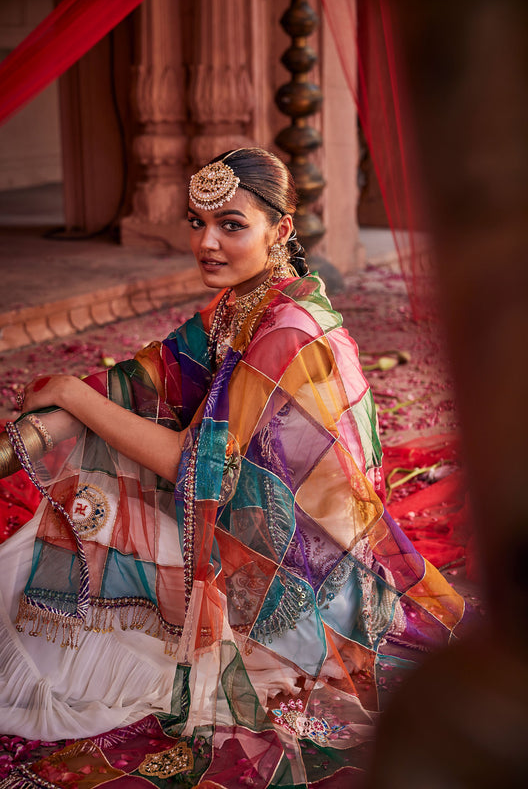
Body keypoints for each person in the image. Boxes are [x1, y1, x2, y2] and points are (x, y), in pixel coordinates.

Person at [0, 148, 465, 788]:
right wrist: (68, 399)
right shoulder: (243, 303)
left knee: (86, 519)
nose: (207, 243)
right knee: (79, 523)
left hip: (289, 579)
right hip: (250, 530)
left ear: (280, 229)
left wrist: (74, 400)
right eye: (197, 223)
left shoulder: (287, 330)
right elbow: (157, 375)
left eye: (231, 225)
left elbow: (191, 465)